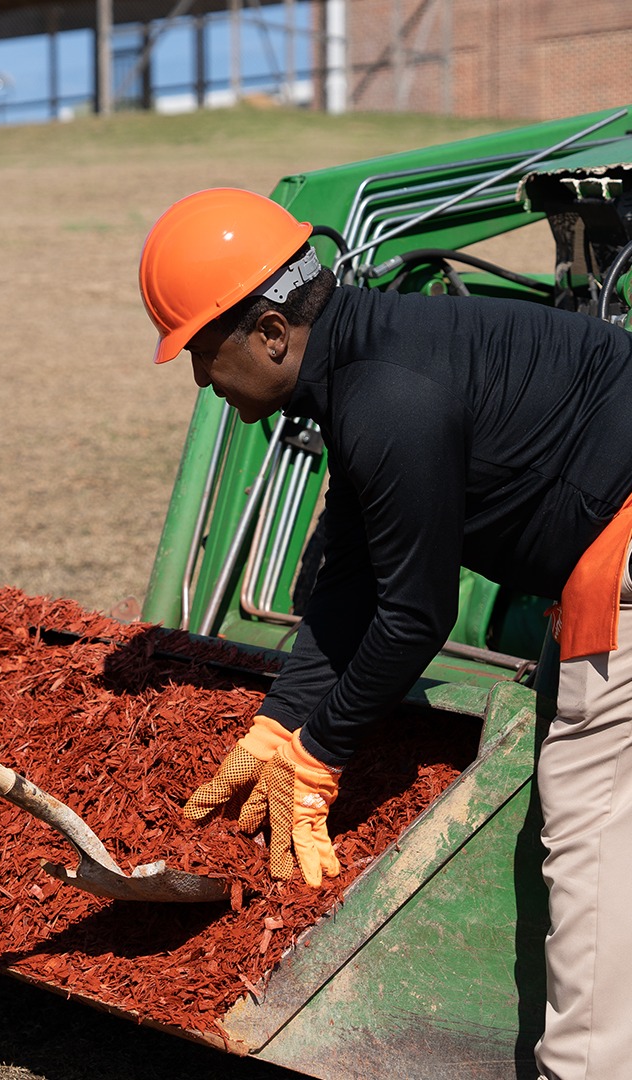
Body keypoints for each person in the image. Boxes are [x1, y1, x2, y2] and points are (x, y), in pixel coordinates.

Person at [138, 186, 632, 1080]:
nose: (206, 385)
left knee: (589, 814)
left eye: (204, 356)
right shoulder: (369, 362)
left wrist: (321, 753)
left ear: (273, 333)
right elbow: (352, 574)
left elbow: (416, 615)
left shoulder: (386, 398)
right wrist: (278, 724)